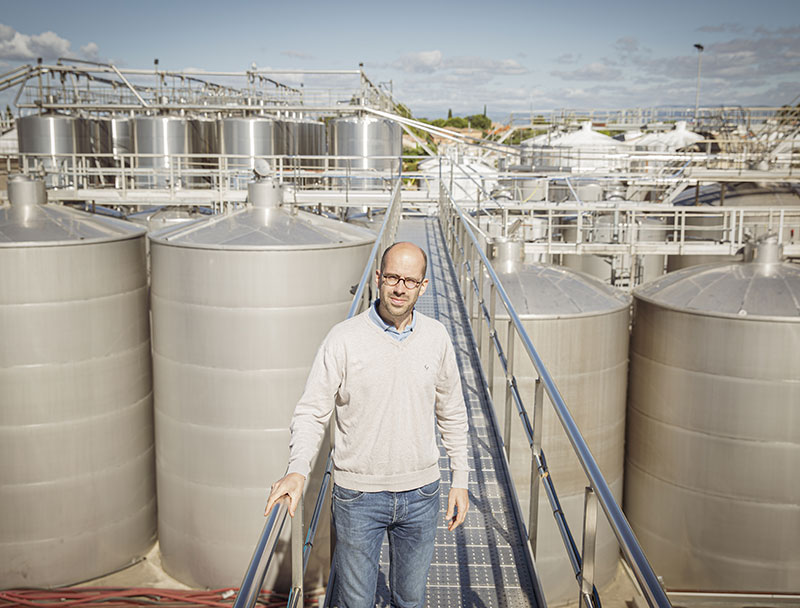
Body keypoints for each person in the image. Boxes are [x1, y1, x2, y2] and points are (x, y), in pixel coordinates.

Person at [265, 241, 470, 608]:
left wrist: (461, 480)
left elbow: (452, 410)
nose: (399, 287)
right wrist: (297, 470)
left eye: (410, 280)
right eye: (392, 276)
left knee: (411, 599)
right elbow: (312, 410)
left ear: (423, 286)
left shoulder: (437, 337)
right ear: (378, 278)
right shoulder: (343, 339)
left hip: (421, 493)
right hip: (358, 496)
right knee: (355, 602)